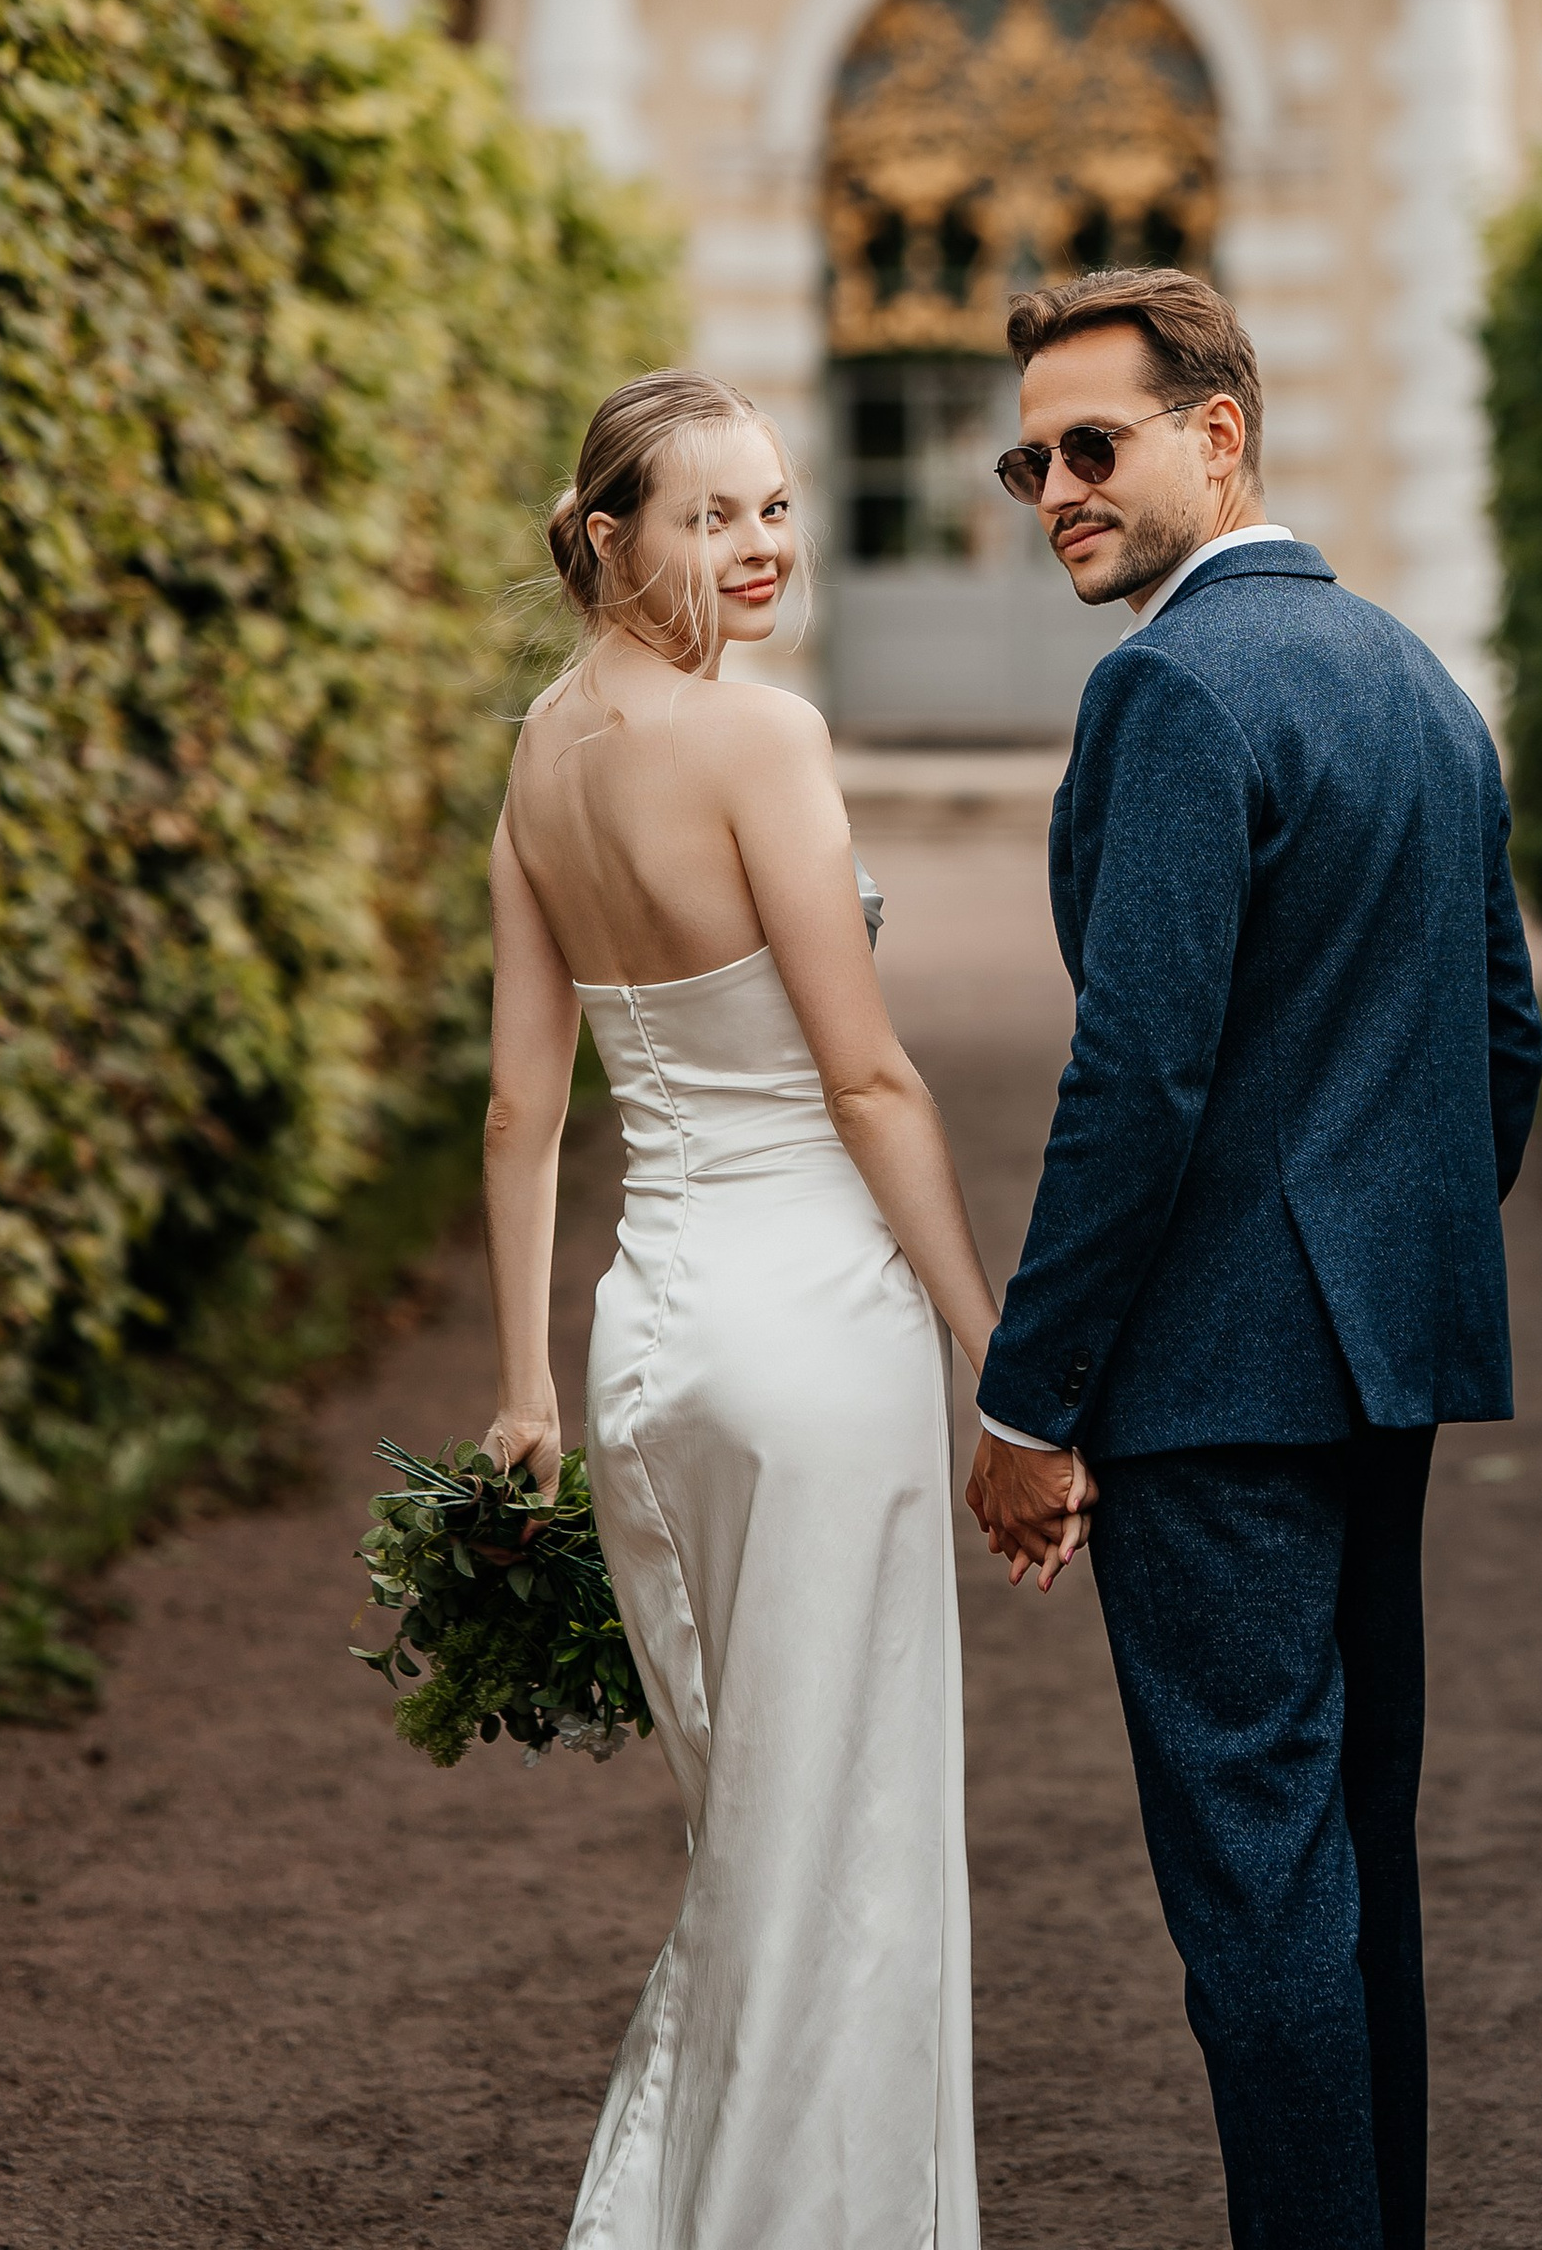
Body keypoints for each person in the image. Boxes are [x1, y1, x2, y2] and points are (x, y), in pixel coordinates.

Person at [965, 267, 1542, 2250]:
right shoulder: (1416, 681)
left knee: (1256, 1887)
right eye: (1027, 454)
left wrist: (1031, 1397)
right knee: (1347, 1860)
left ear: (1218, 433)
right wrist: (1389, 1263)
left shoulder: (1169, 685)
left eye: (1092, 443)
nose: (1054, 481)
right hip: (1379, 1366)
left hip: (1210, 1392)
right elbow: (1500, 1043)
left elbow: (1134, 1074)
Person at [479, 368, 1064, 2250]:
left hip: (649, 1346)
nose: (760, 545)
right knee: (844, 1841)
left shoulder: (537, 755)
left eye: (774, 506)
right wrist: (996, 1344)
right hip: (816, 1334)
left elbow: (521, 1109)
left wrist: (524, 1389)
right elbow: (873, 1083)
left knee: (750, 1835)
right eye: (710, 513)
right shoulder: (764, 742)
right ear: (613, 538)